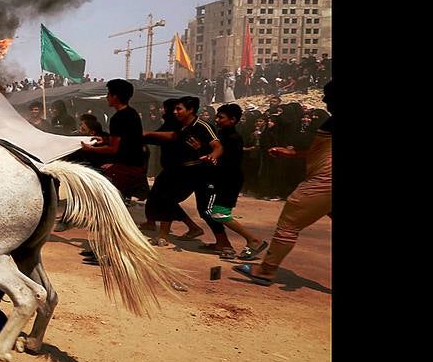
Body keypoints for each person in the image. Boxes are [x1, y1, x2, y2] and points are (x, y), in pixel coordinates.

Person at [237, 81, 332, 285]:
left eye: (329, 96)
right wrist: (293, 153)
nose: (325, 100)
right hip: (323, 182)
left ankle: (266, 270)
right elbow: (321, 151)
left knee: (288, 224)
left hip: (323, 184)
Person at [140, 96, 222, 246]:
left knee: (203, 209)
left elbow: (217, 146)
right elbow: (171, 136)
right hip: (178, 169)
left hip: (195, 171)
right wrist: (146, 135)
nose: (175, 112)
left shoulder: (202, 126)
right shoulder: (181, 125)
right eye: (174, 109)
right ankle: (169, 233)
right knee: (165, 198)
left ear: (190, 110)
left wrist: (212, 156)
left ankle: (225, 243)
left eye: (179, 109)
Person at [200, 103, 268, 261]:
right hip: (227, 178)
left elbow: (227, 162)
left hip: (228, 179)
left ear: (233, 120)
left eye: (221, 118)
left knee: (216, 212)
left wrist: (210, 159)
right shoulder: (223, 135)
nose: (217, 120)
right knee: (216, 212)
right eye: (217, 116)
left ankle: (253, 240)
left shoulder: (232, 138)